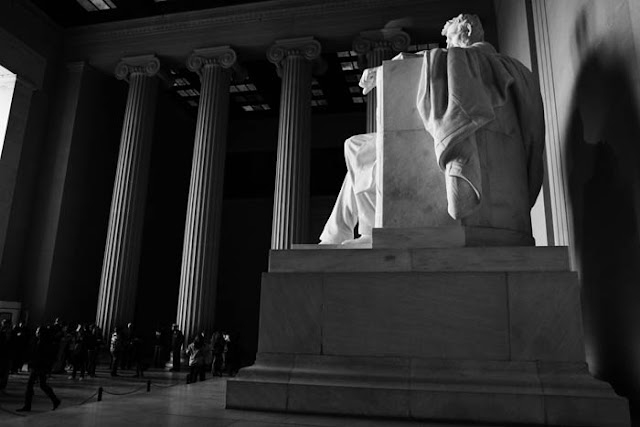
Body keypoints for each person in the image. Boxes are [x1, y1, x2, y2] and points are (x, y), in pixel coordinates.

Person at [319, 13, 544, 244]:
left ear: (466, 32)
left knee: (357, 149)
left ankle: (350, 233)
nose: (446, 45)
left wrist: (388, 68)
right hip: (431, 137)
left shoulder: (478, 59)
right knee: (356, 148)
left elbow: (447, 59)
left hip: (437, 139)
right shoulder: (496, 65)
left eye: (450, 39)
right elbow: (443, 59)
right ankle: (355, 231)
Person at [16, 326, 61, 412]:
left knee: (30, 386)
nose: (36, 332)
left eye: (38, 330)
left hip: (38, 367)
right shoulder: (43, 342)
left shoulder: (41, 343)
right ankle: (55, 400)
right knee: (42, 385)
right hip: (40, 367)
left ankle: (27, 405)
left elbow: (38, 356)